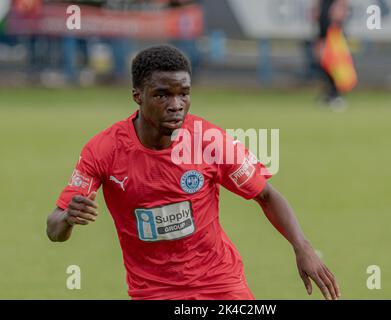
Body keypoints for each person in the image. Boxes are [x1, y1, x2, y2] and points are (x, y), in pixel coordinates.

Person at [46, 45, 340, 300]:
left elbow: (265, 194)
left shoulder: (208, 140)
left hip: (221, 283)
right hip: (153, 291)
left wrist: (303, 247)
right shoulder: (103, 150)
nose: (176, 105)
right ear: (137, 95)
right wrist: (68, 219)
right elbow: (54, 229)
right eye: (162, 95)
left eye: (184, 94)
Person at [313, 0, 349, 109]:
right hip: (324, 13)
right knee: (322, 58)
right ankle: (328, 93)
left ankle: (337, 94)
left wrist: (340, 6)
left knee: (335, 58)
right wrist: (316, 7)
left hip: (333, 14)